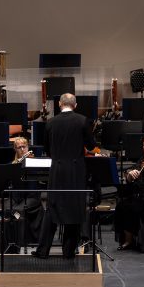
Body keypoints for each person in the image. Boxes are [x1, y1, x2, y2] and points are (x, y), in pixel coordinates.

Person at [34, 93, 96, 259]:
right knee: (75, 209)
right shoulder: (83, 120)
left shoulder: (51, 122)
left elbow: (46, 148)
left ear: (60, 104)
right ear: (75, 105)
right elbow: (91, 144)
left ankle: (42, 251)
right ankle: (68, 252)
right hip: (76, 171)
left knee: (52, 208)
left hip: (57, 170)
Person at [0, 136, 43, 254]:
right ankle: (8, 245)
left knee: (18, 210)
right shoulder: (12, 164)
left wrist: (32, 163)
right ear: (15, 149)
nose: (22, 149)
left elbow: (42, 179)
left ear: (28, 147)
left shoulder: (35, 162)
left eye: (24, 146)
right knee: (8, 210)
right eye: (19, 147)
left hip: (31, 197)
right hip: (16, 197)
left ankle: (19, 244)